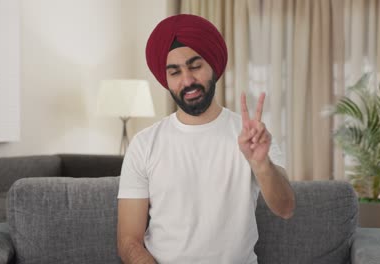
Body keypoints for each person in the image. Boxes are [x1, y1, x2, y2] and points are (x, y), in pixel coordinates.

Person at [117, 14, 295, 264]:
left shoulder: (253, 136)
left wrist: (261, 164)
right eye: (175, 72)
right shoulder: (144, 144)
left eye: (195, 66)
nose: (187, 80)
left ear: (212, 65)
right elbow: (128, 240)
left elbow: (286, 208)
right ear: (165, 79)